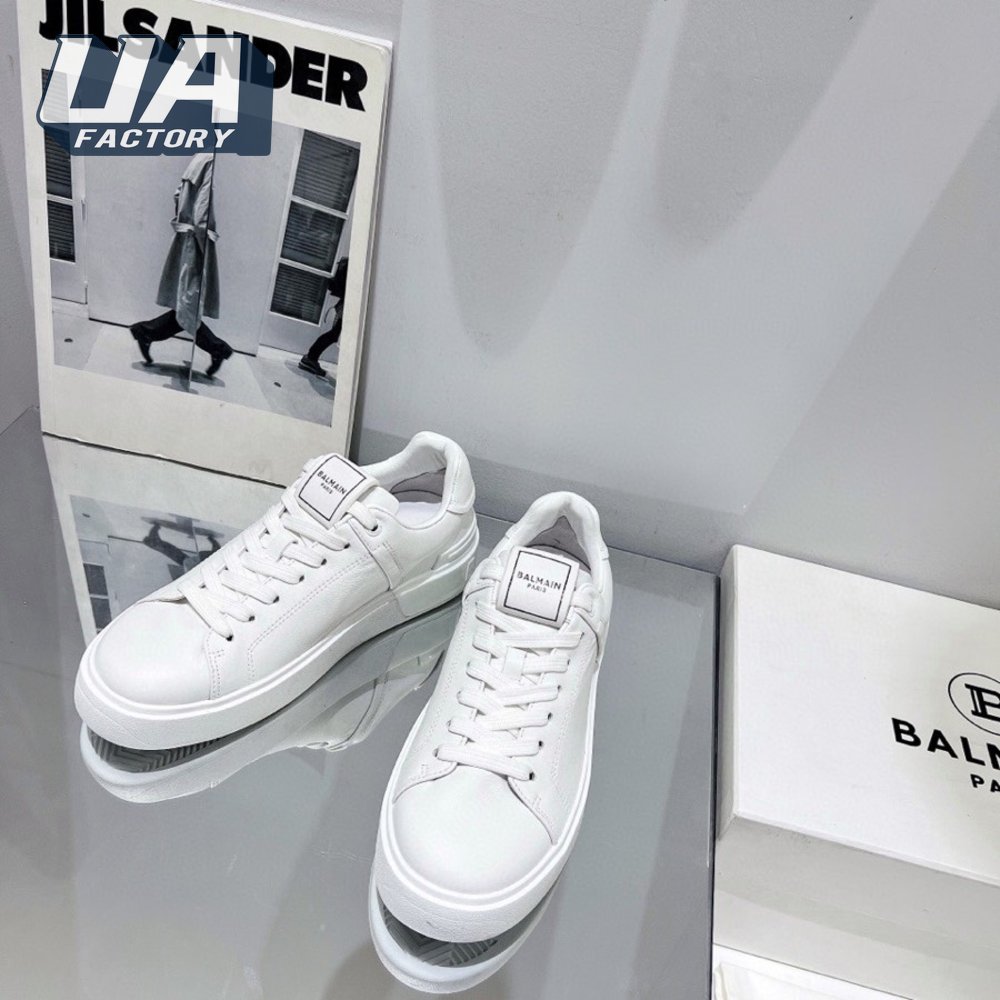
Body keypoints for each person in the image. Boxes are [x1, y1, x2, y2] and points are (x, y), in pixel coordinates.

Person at [130, 153, 234, 378]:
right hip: (196, 241)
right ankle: (216, 348)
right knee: (189, 303)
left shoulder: (198, 159)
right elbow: (202, 214)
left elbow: (177, 195)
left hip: (187, 237)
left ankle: (147, 332)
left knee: (187, 303)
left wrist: (183, 224)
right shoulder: (209, 160)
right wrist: (204, 248)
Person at [298, 256, 349, 378]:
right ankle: (310, 358)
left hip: (346, 304)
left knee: (334, 335)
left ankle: (310, 358)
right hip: (349, 306)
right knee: (334, 335)